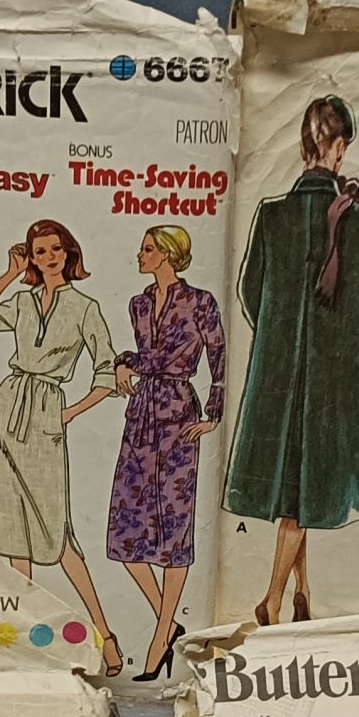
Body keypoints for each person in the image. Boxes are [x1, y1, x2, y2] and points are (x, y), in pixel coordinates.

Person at [224, 95, 359, 624]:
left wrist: (279, 335)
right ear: (337, 148)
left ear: (303, 148)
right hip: (331, 384)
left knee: (296, 490)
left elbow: (250, 291)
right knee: (304, 493)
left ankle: (303, 593)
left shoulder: (272, 215)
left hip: (278, 378)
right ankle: (273, 599)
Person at [0, 222, 124, 674]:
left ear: (68, 252)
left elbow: (106, 370)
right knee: (15, 531)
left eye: (55, 249)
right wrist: (10, 273)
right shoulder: (23, 301)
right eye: (39, 252)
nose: (49, 257)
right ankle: (23, 640)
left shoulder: (85, 307)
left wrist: (68, 414)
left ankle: (106, 636)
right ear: (31, 258)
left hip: (47, 411)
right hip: (8, 406)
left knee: (58, 530)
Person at [107, 226, 226, 678]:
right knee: (126, 535)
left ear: (168, 255)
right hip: (141, 414)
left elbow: (217, 357)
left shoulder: (201, 302)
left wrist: (213, 414)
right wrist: (126, 361)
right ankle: (170, 623)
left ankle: (160, 639)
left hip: (178, 415)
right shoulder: (137, 304)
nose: (140, 255)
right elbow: (147, 357)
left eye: (148, 249)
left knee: (174, 530)